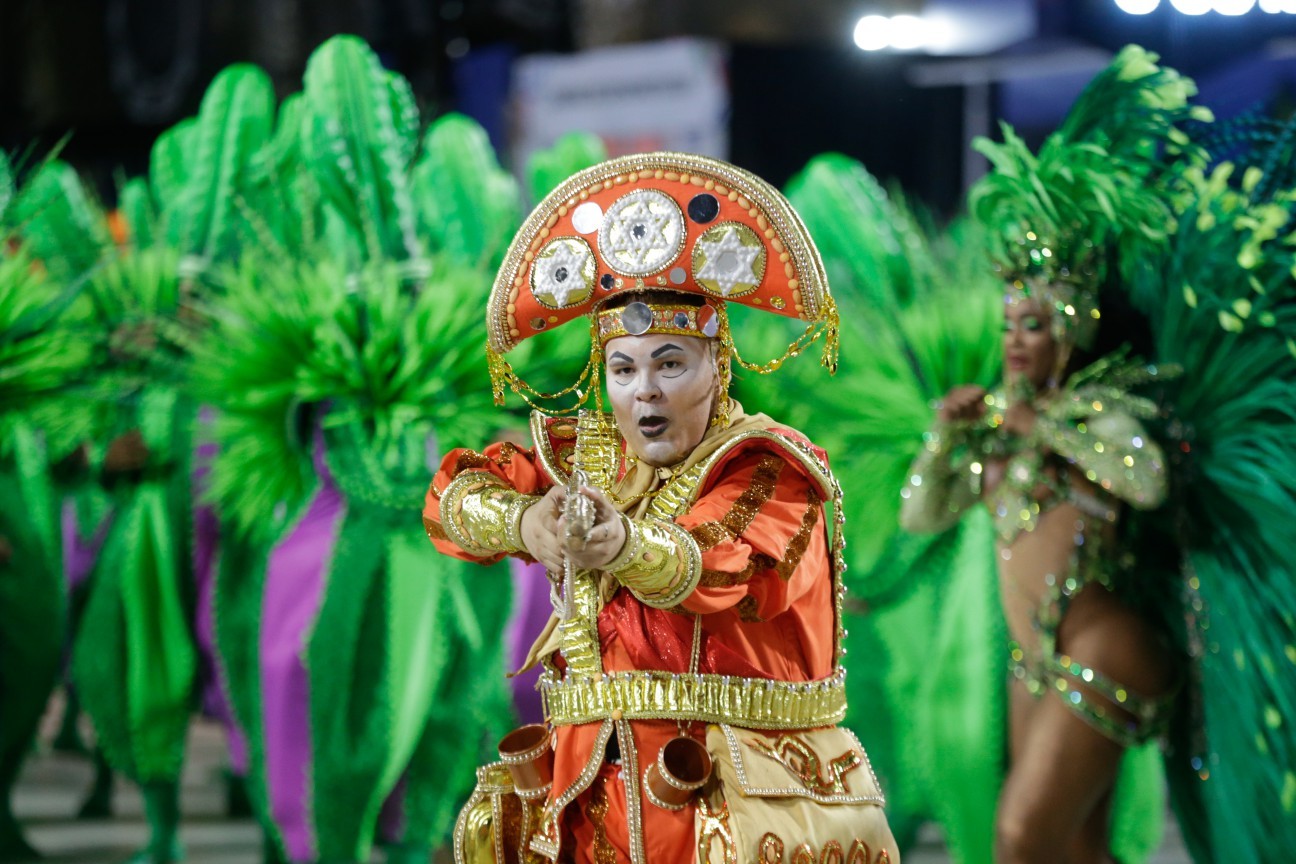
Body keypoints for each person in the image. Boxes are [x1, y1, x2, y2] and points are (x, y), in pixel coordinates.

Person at [424, 153, 898, 864]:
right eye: (624, 369)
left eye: (670, 363)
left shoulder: (771, 469)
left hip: (727, 808)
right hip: (588, 799)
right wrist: (527, 523)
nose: (644, 391)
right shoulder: (581, 455)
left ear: (718, 364)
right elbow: (451, 496)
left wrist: (619, 546)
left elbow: (720, 564)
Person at [898, 46, 1203, 864]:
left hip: (1109, 646)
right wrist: (947, 438)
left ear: (1071, 329)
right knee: (1075, 852)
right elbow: (922, 513)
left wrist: (1044, 429)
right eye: (1008, 324)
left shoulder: (1103, 409)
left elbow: (1144, 478)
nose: (1015, 342)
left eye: (1034, 324)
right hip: (1037, 660)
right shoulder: (996, 421)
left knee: (1019, 839)